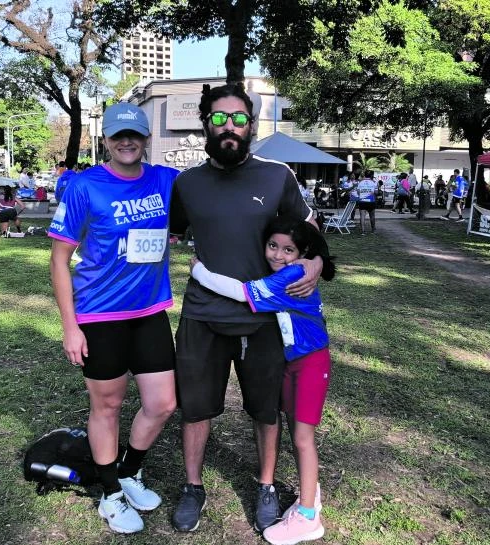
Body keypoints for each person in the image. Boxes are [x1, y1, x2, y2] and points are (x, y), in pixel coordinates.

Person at [167, 83, 323, 535]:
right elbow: (168, 231)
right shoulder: (188, 183)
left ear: (251, 124)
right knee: (195, 409)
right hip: (202, 316)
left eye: (238, 118)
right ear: (205, 125)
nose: (229, 126)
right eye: (219, 118)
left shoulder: (277, 176)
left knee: (264, 410)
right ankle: (193, 486)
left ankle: (267, 485)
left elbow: (311, 230)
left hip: (265, 321)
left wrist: (313, 261)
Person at [48, 103, 179, 534]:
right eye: (119, 135)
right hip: (99, 315)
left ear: (146, 140)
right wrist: (70, 326)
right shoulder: (84, 186)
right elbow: (60, 260)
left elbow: (219, 186)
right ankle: (110, 494)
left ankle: (128, 471)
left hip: (150, 312)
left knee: (162, 404)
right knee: (107, 405)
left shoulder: (165, 180)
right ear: (106, 139)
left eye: (136, 135)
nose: (128, 142)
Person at [189, 217, 334, 545]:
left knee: (302, 438)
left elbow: (241, 293)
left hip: (310, 363)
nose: (278, 255)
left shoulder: (293, 274)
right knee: (296, 430)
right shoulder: (292, 269)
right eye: (273, 246)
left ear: (301, 253)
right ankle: (311, 494)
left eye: (288, 249)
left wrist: (198, 270)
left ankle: (309, 518)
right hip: (292, 363)